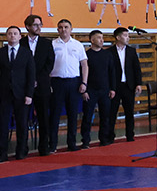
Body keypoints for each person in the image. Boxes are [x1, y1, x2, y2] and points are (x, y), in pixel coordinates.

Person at [0, 25, 34, 161]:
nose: (12, 36)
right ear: (6, 36)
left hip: (21, 94)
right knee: (2, 124)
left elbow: (31, 75)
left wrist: (29, 94)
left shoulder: (27, 53)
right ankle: (2, 153)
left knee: (22, 124)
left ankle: (21, 151)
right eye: (10, 33)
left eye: (15, 33)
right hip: (3, 94)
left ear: (20, 36)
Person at [48, 17, 90, 152]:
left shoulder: (78, 45)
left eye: (66, 27)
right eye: (60, 27)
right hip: (56, 82)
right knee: (54, 115)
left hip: (74, 82)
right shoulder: (52, 44)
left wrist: (84, 82)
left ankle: (72, 143)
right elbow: (47, 65)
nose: (63, 30)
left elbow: (84, 65)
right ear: (57, 30)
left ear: (71, 29)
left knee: (73, 114)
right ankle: (52, 145)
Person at [100, 26, 142, 145]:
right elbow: (107, 71)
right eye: (125, 35)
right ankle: (110, 136)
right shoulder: (109, 52)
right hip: (115, 86)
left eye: (128, 35)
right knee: (112, 113)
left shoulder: (131, 51)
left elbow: (137, 69)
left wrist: (138, 83)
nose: (127, 38)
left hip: (129, 85)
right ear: (118, 37)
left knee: (129, 112)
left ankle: (130, 135)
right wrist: (110, 87)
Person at [23, 14, 56, 155]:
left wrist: (37, 79)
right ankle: (22, 149)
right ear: (28, 27)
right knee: (23, 118)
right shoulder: (21, 43)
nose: (38, 27)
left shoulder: (47, 43)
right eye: (35, 25)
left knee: (43, 117)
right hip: (24, 86)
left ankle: (44, 147)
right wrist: (29, 80)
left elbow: (50, 63)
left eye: (40, 25)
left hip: (42, 85)